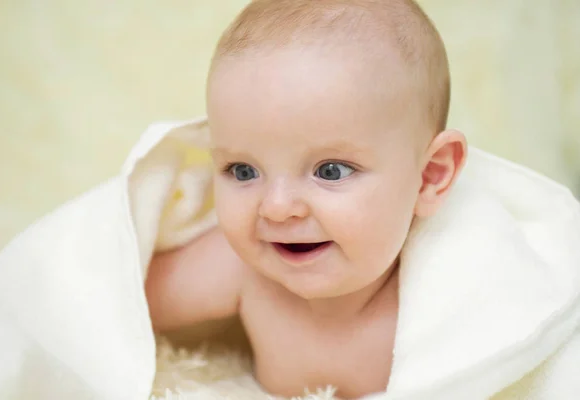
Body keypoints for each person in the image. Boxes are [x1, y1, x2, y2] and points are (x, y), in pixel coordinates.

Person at [145, 0, 468, 398]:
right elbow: (109, 296)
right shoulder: (241, 270)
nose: (277, 207)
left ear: (429, 176)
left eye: (330, 171)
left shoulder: (457, 284)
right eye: (243, 171)